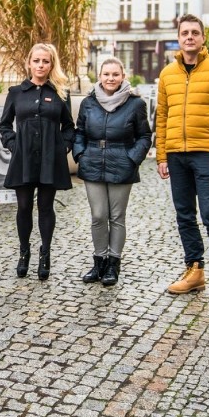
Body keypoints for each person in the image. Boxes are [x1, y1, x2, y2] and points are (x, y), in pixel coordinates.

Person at [156, 13, 209, 304]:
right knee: (184, 215)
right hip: (176, 154)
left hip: (207, 153)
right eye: (184, 33)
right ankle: (194, 270)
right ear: (178, 38)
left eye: (195, 32)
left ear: (203, 38)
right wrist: (161, 155)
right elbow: (162, 115)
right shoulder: (168, 74)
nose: (189, 37)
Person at [73, 58, 152, 287]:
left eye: (115, 74)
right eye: (106, 74)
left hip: (122, 162)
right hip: (93, 162)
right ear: (100, 76)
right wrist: (81, 154)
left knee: (116, 217)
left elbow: (145, 136)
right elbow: (79, 131)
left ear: (123, 76)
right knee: (98, 215)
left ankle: (113, 263)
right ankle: (98, 261)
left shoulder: (135, 104)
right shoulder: (89, 102)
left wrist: (132, 158)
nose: (110, 79)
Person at [0, 42, 74, 281]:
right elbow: (4, 124)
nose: (41, 65)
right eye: (37, 60)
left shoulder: (60, 93)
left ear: (52, 64)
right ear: (29, 63)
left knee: (45, 207)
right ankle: (24, 252)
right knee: (23, 206)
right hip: (24, 159)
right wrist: (13, 145)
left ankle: (45, 253)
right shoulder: (16, 93)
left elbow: (69, 126)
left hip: (51, 160)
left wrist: (63, 147)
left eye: (46, 61)